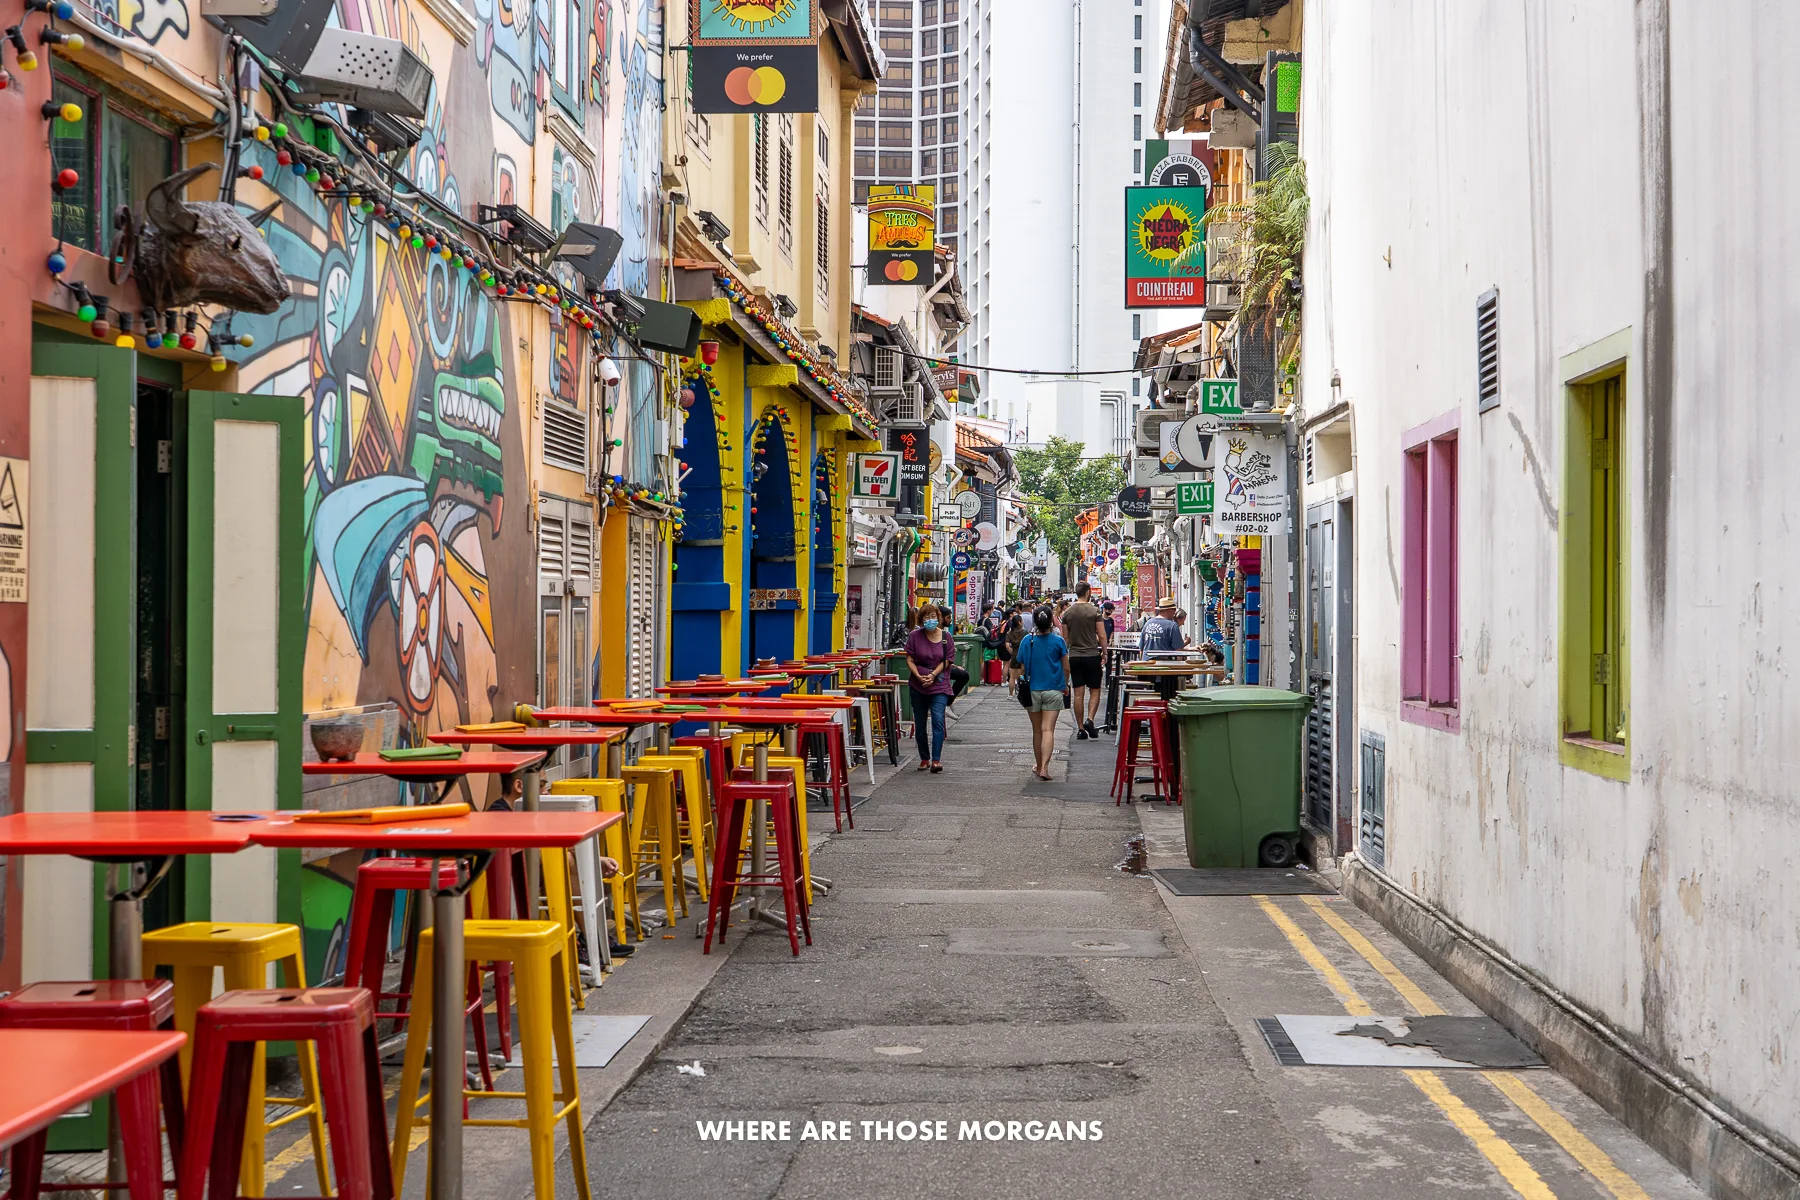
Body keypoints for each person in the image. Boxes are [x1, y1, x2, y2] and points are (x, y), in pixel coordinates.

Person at [1016, 606, 1070, 780]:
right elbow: (1066, 667)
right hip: (1054, 689)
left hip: (1032, 690)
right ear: (1050, 621)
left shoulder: (1027, 640)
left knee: (1037, 731)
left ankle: (1038, 765)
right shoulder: (1058, 641)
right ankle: (1045, 768)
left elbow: (1022, 668)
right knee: (1048, 730)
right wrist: (1065, 685)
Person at [904, 602, 956, 772]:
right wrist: (919, 676)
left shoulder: (946, 637)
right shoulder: (914, 636)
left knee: (938, 720)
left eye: (933, 616)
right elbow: (909, 659)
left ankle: (936, 760)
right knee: (920, 725)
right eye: (926, 617)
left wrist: (933, 675)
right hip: (918, 685)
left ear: (938, 618)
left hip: (939, 685)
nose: (930, 620)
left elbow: (947, 660)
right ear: (921, 620)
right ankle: (924, 758)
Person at [1060, 582, 1108, 740]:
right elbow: (1102, 635)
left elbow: (1065, 638)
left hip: (1074, 656)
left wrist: (1064, 656)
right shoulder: (1094, 611)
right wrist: (1105, 652)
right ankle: (1090, 719)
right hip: (1092, 655)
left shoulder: (1067, 612)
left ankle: (1080, 729)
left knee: (1078, 693)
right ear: (1087, 592)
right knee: (1095, 690)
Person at [1003, 602, 1030, 687]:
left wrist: (1013, 652)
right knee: (1021, 676)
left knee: (1012, 677)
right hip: (1023, 656)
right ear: (1019, 622)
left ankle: (1011, 693)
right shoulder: (1025, 632)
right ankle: (1020, 691)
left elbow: (1007, 646)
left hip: (1014, 655)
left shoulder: (1009, 633)